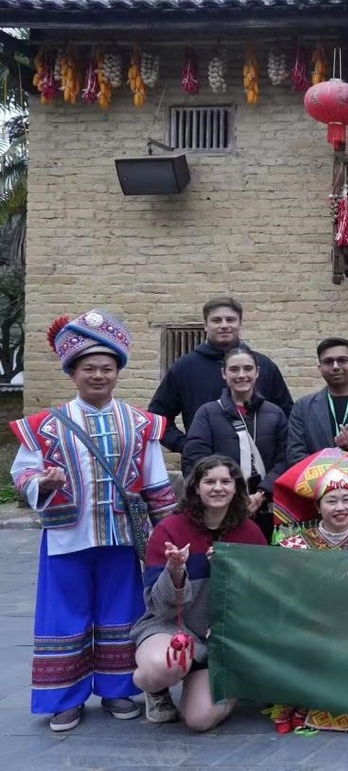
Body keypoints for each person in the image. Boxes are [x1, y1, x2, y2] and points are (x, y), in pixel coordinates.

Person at [10, 310, 178, 732]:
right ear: (73, 372)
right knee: (64, 616)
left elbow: (157, 485)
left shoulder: (141, 424)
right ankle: (65, 698)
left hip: (122, 539)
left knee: (121, 614)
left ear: (117, 372)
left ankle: (118, 690)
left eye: (107, 368)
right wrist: (42, 482)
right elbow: (22, 475)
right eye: (89, 368)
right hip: (67, 538)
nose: (99, 375)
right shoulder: (44, 426)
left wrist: (168, 535)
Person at [129, 455, 266, 731]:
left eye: (226, 481)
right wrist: (175, 572)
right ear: (195, 488)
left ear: (236, 488)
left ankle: (227, 684)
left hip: (221, 640)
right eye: (209, 481)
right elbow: (160, 607)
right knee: (162, 666)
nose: (218, 488)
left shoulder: (250, 532)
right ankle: (155, 690)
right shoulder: (169, 530)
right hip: (172, 627)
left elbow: (262, 594)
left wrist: (232, 570)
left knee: (199, 720)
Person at [268, 449, 348, 733]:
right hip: (310, 623)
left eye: (346, 499)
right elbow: (282, 590)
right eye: (331, 501)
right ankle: (302, 697)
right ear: (317, 506)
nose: (340, 507)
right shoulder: (295, 545)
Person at [149, 296, 292, 454]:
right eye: (216, 320)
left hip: (261, 463)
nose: (224, 325)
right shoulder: (184, 367)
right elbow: (157, 418)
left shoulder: (264, 366)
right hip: (206, 465)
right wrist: (187, 446)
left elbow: (288, 416)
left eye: (230, 320)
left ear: (240, 323)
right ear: (205, 325)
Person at [182, 347, 288, 541]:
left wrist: (262, 493)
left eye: (247, 369)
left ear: (257, 372)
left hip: (266, 508)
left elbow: (285, 459)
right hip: (221, 509)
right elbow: (195, 460)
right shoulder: (207, 413)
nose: (241, 375)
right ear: (224, 373)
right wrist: (223, 495)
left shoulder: (275, 413)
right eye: (234, 369)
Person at [286, 338, 348, 466]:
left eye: (342, 360)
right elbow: (295, 455)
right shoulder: (302, 407)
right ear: (320, 368)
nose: (335, 367)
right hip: (317, 478)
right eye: (328, 362)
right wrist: (328, 470)